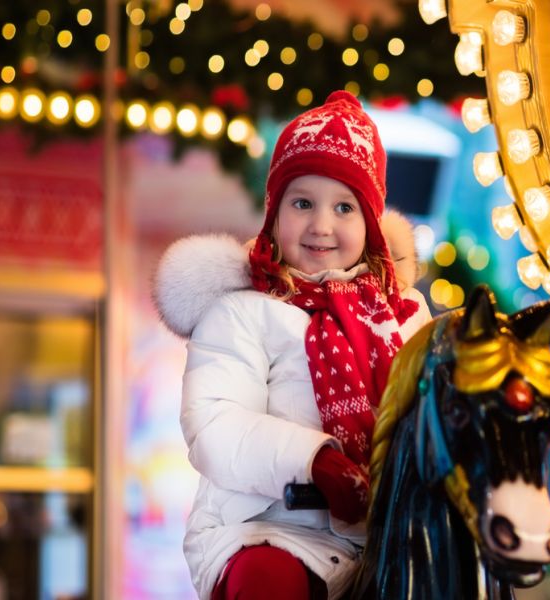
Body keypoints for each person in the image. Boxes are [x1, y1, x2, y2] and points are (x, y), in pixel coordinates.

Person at [154, 90, 431, 600]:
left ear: (369, 225)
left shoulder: (402, 317)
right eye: (302, 203)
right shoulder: (241, 310)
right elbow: (215, 424)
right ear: (274, 217)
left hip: (383, 534)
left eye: (344, 207)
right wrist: (315, 461)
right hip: (269, 530)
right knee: (268, 584)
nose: (321, 225)